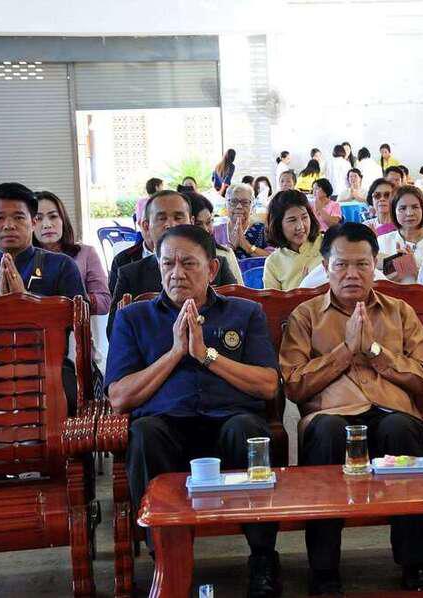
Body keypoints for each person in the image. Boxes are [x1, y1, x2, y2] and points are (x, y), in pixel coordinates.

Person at [104, 224, 282, 598]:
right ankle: (166, 560)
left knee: (250, 431)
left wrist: (205, 355)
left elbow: (268, 385)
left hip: (229, 423)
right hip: (167, 428)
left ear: (212, 269)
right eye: (167, 263)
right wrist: (175, 353)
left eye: (188, 263)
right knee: (144, 433)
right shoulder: (134, 318)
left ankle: (263, 557)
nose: (177, 273)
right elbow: (119, 398)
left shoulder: (245, 312)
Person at [279, 222, 423, 595]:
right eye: (341, 265)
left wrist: (374, 351)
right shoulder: (306, 315)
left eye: (362, 264)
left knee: (401, 429)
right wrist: (346, 351)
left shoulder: (399, 311)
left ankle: (415, 562)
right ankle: (324, 569)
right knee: (327, 431)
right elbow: (294, 384)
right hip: (330, 416)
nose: (352, 274)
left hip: (391, 412)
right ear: (325, 266)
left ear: (375, 264)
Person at [108, 191, 238, 337]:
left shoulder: (214, 265)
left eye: (178, 217)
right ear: (146, 226)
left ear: (191, 221)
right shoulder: (130, 273)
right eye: (162, 218)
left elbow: (236, 317)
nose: (170, 225)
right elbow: (114, 332)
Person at [0, 182, 85, 301]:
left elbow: (78, 317)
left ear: (33, 222)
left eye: (18, 217)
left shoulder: (62, 266)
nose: (9, 225)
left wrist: (25, 298)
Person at [33, 190, 111, 315]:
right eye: (38, 218)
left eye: (53, 216)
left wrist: (73, 297)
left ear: (63, 219)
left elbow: (105, 302)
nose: (47, 225)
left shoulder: (86, 253)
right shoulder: (25, 258)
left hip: (75, 325)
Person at [377, 185, 423, 283]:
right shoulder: (382, 241)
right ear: (394, 212)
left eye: (415, 207)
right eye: (402, 208)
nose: (409, 213)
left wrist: (415, 270)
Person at [262, 190, 324, 290]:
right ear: (278, 225)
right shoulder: (273, 263)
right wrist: (303, 291)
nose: (300, 226)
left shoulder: (327, 243)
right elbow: (273, 300)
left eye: (304, 217)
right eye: (292, 220)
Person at [190, 194, 245, 285]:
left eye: (208, 222)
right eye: (198, 224)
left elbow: (240, 290)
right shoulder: (174, 259)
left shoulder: (225, 254)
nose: (206, 229)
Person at [215, 183, 270, 259]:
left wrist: (247, 246)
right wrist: (231, 247)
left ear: (252, 207)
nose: (239, 206)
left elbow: (275, 259)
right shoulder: (215, 232)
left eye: (245, 202)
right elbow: (210, 260)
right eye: (233, 201)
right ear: (226, 205)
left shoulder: (263, 230)